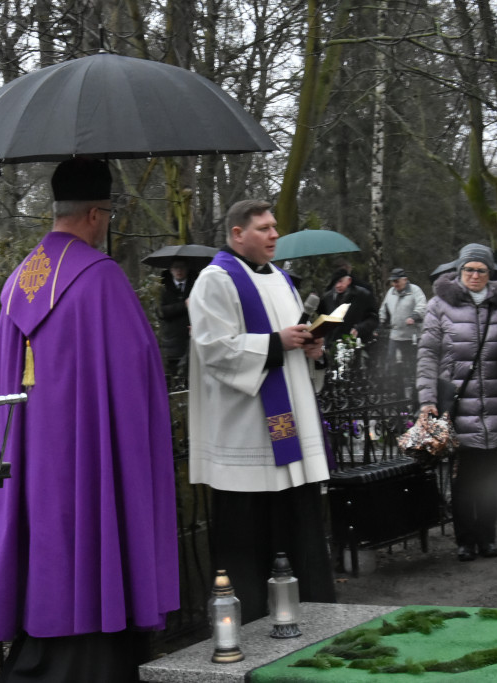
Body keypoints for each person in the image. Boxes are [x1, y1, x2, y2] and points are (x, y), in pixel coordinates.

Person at [0, 157, 178, 683]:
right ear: (97, 214)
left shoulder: (15, 285)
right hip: (88, 459)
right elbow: (139, 381)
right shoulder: (101, 280)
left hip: (30, 459)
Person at [188, 199, 335, 625]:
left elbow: (295, 346)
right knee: (248, 537)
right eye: (264, 228)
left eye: (275, 227)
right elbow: (213, 349)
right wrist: (275, 343)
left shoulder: (283, 281)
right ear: (237, 234)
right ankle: (249, 624)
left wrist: (313, 349)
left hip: (289, 434)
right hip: (247, 432)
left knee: (298, 529)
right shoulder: (215, 281)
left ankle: (312, 617)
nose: (274, 235)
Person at [417, 244, 497, 562]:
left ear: (489, 273)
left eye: (481, 270)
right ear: (459, 271)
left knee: (490, 478)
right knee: (462, 478)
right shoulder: (439, 305)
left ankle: (488, 537)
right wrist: (427, 400)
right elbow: (428, 355)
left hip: (494, 405)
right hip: (457, 405)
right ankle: (465, 539)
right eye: (468, 269)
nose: (474, 275)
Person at [378, 267, 427, 387]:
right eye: (393, 282)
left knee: (412, 363)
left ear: (405, 280)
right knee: (391, 362)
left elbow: (422, 305)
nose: (394, 284)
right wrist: (382, 322)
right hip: (395, 335)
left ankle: (415, 387)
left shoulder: (415, 290)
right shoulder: (391, 292)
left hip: (412, 335)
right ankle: (395, 388)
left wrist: (414, 316)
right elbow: (383, 308)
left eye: (397, 281)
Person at [318, 270, 379, 347]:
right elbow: (324, 320)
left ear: (349, 280)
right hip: (333, 346)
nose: (337, 285)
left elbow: (374, 319)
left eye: (340, 281)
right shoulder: (327, 297)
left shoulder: (363, 295)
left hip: (357, 343)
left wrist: (359, 328)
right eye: (335, 283)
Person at [157, 258, 193, 382]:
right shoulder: (162, 286)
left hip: (192, 336)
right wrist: (183, 305)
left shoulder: (196, 284)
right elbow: (161, 311)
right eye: (176, 267)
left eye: (182, 267)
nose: (179, 271)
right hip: (172, 340)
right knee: (174, 377)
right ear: (170, 270)